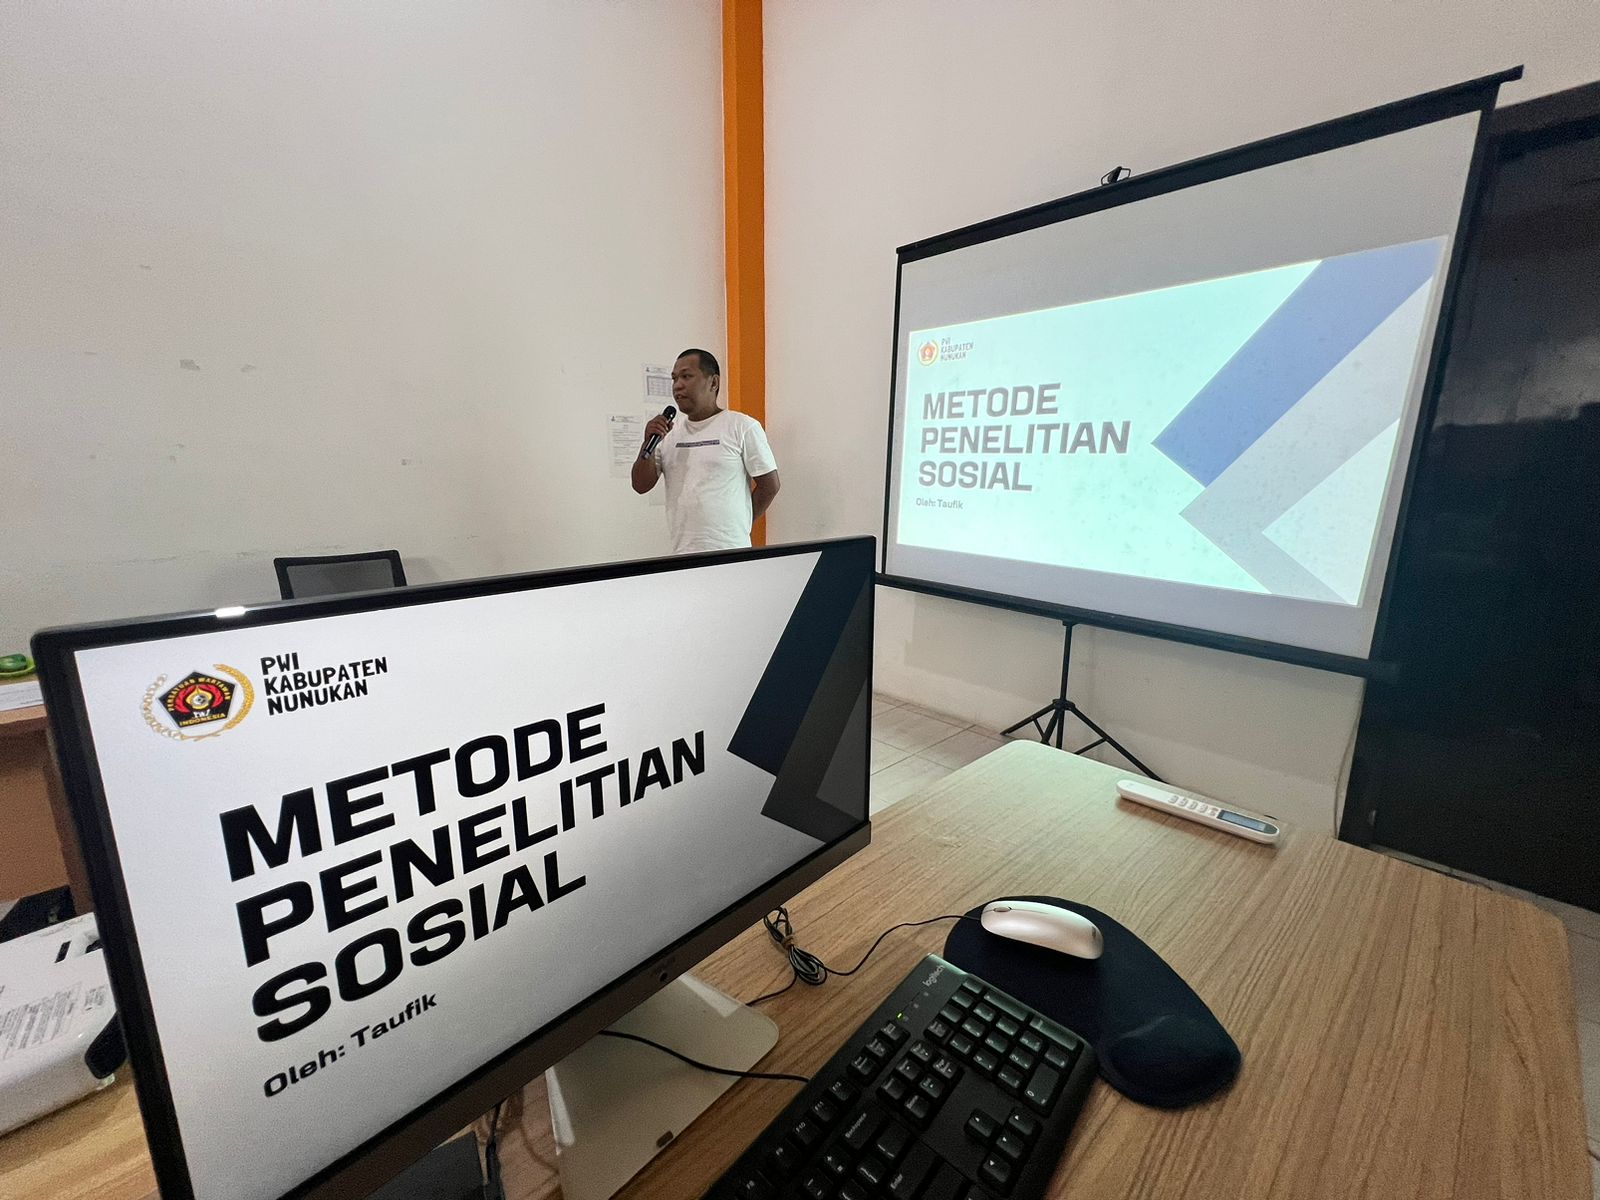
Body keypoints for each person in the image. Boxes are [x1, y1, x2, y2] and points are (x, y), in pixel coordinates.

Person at [630, 348, 780, 553]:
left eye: (686, 376)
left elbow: (770, 486)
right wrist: (648, 442)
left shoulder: (742, 426)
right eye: (674, 379)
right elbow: (640, 485)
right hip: (683, 553)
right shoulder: (668, 433)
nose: (677, 385)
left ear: (713, 382)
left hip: (731, 552)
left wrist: (740, 524)